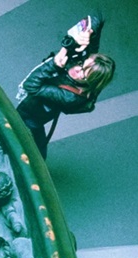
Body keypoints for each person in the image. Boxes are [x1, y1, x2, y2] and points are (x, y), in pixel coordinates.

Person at [16, 14, 116, 159]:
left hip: (31, 113)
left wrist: (54, 64)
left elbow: (31, 86)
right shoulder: (88, 60)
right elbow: (97, 20)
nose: (77, 69)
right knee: (38, 145)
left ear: (90, 83)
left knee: (31, 145)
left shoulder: (70, 97)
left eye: (84, 75)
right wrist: (87, 32)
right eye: (82, 64)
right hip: (38, 105)